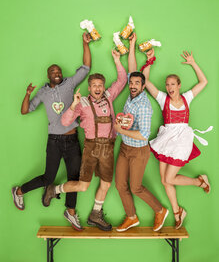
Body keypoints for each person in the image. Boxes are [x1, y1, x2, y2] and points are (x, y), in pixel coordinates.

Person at [12, 33, 92, 231]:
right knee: (49, 178)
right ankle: (19, 190)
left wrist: (84, 43)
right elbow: (25, 110)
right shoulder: (43, 92)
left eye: (58, 70)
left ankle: (70, 212)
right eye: (52, 71)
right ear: (48, 76)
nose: (56, 72)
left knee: (74, 177)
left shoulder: (69, 84)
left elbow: (86, 67)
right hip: (54, 141)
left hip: (72, 139)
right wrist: (28, 94)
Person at [43, 50, 127, 231]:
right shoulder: (82, 103)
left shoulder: (109, 97)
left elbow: (122, 81)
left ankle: (95, 214)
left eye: (100, 85)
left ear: (104, 87)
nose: (98, 88)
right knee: (83, 186)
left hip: (108, 147)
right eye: (94, 85)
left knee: (106, 183)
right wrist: (73, 105)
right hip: (91, 148)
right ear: (89, 88)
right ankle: (54, 190)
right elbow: (65, 121)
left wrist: (117, 60)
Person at [142, 49, 211, 229]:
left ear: (179, 85)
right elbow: (146, 81)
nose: (169, 87)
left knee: (170, 179)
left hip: (182, 139)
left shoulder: (187, 97)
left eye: (173, 84)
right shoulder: (163, 99)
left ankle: (199, 181)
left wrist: (193, 63)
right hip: (166, 139)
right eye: (167, 84)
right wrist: (149, 61)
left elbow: (204, 82)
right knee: (165, 180)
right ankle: (177, 211)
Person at [114, 33, 168, 232]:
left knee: (135, 187)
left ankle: (160, 210)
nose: (133, 85)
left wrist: (119, 129)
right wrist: (132, 43)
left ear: (144, 86)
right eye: (131, 83)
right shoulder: (132, 92)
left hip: (138, 151)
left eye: (137, 83)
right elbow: (132, 68)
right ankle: (131, 217)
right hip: (125, 148)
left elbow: (144, 135)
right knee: (120, 184)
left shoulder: (144, 105)